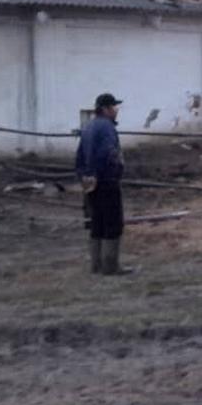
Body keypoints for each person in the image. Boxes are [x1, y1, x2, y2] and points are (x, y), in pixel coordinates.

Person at [75, 93, 128, 275]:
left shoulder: (88, 126)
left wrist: (84, 176)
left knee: (97, 222)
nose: (116, 111)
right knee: (112, 222)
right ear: (105, 109)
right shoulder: (107, 128)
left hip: (90, 182)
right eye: (114, 107)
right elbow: (110, 154)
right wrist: (116, 172)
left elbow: (79, 156)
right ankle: (111, 266)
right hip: (106, 180)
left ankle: (96, 265)